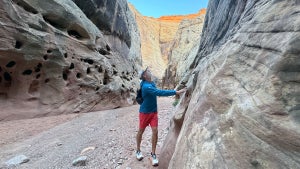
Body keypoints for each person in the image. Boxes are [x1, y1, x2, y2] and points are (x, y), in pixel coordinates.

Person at [136, 67, 186, 166]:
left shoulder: (151, 84)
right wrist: (176, 92)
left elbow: (156, 90)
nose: (151, 72)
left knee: (155, 131)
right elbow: (159, 92)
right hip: (144, 113)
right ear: (145, 76)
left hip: (153, 113)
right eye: (148, 71)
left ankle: (153, 154)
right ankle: (138, 150)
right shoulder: (146, 86)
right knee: (141, 131)